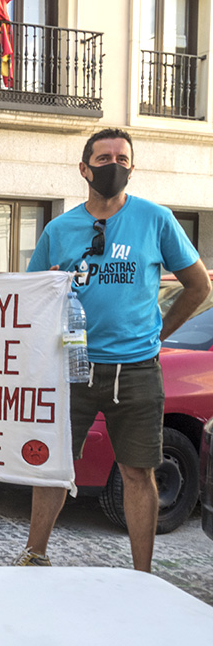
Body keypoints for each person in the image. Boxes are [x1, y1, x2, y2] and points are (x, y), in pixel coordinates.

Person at [19, 128, 210, 572]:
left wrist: (158, 334)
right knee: (53, 466)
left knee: (138, 471)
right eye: (104, 158)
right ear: (84, 169)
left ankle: (142, 573)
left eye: (122, 158)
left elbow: (198, 285)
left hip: (138, 370)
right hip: (71, 366)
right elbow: (30, 292)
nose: (114, 165)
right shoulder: (59, 229)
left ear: (132, 166)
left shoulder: (156, 219)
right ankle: (34, 554)